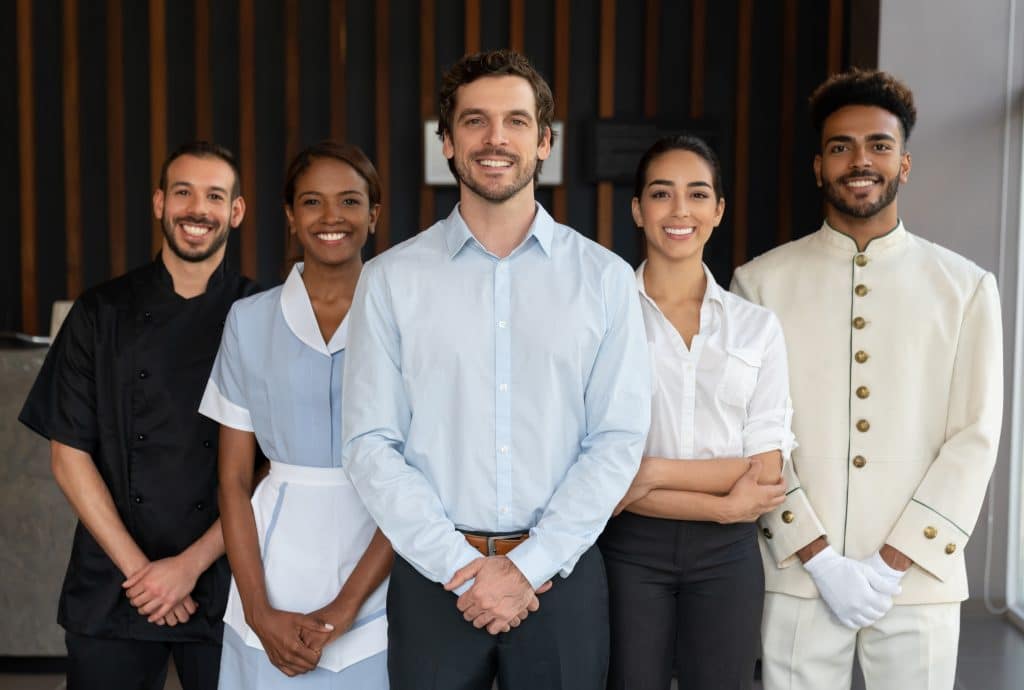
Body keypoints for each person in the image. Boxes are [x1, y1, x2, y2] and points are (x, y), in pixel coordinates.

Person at [341, 49, 651, 689]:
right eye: (475, 121)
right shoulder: (390, 280)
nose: (495, 139)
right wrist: (460, 567)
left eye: (515, 121)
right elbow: (370, 442)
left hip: (561, 578)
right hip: (434, 577)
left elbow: (617, 440)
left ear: (544, 142)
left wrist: (528, 566)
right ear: (447, 142)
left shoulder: (605, 280)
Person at [732, 69, 1003, 690]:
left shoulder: (964, 288)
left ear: (903, 164)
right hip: (798, 576)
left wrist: (892, 563)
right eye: (840, 146)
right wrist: (817, 556)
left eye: (879, 145)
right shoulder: (759, 283)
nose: (861, 160)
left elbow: (975, 436)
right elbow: (753, 431)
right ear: (817, 167)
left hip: (920, 580)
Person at [18, 141, 259, 689]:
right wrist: (143, 575)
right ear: (159, 203)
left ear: (236, 212)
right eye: (183, 192)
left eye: (214, 196)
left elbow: (270, 469)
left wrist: (188, 567)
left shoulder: (261, 316)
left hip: (225, 578)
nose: (197, 209)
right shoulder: (100, 313)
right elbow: (68, 454)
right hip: (114, 581)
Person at [601, 134, 792, 690]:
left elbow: (766, 470)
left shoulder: (756, 327)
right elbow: (598, 477)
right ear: (638, 210)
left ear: (718, 210)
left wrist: (650, 471)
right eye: (661, 194)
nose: (680, 210)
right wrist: (723, 506)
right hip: (627, 548)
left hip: (727, 558)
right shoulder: (605, 321)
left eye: (698, 194)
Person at [199, 141, 391, 688]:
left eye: (350, 202)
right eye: (312, 202)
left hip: (380, 553)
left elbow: (417, 478)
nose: (332, 217)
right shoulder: (249, 321)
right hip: (270, 560)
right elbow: (233, 480)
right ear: (290, 216)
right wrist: (258, 610)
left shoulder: (404, 319)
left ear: (373, 215)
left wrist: (348, 604)